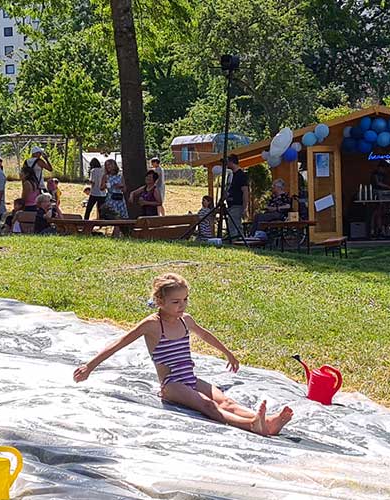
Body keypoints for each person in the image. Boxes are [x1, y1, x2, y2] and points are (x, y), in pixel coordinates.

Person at [72, 273, 294, 436]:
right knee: (208, 405)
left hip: (190, 378)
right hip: (172, 384)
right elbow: (118, 344)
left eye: (185, 299)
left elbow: (205, 335)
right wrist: (90, 366)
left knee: (226, 400)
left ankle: (267, 421)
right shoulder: (151, 325)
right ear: (160, 302)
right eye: (176, 302)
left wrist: (227, 353)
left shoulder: (185, 320)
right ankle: (251, 425)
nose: (182, 305)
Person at [222, 155, 249, 239]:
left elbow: (245, 191)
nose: (226, 164)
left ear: (232, 162)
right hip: (230, 204)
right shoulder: (230, 175)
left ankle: (238, 242)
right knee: (232, 225)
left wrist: (245, 207)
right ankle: (236, 240)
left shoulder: (241, 175)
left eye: (227, 162)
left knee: (234, 224)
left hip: (237, 204)